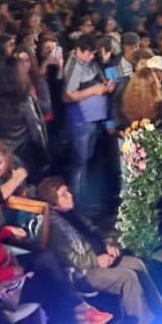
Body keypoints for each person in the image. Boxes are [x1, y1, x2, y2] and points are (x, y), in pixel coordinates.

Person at [37, 177, 162, 324]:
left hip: (101, 258)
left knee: (136, 263)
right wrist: (96, 261)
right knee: (127, 277)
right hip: (84, 273)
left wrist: (107, 246)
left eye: (68, 191)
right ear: (52, 204)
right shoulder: (54, 228)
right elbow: (71, 259)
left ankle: (158, 307)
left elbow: (94, 232)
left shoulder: (74, 214)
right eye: (63, 195)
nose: (70, 195)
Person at [60, 35, 113, 206]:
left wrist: (106, 86)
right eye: (88, 54)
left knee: (87, 159)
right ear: (78, 51)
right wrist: (93, 91)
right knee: (79, 162)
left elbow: (98, 80)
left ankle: (84, 197)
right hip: (80, 121)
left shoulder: (90, 62)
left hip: (93, 119)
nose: (91, 57)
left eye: (93, 54)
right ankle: (76, 200)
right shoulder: (74, 66)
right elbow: (67, 97)